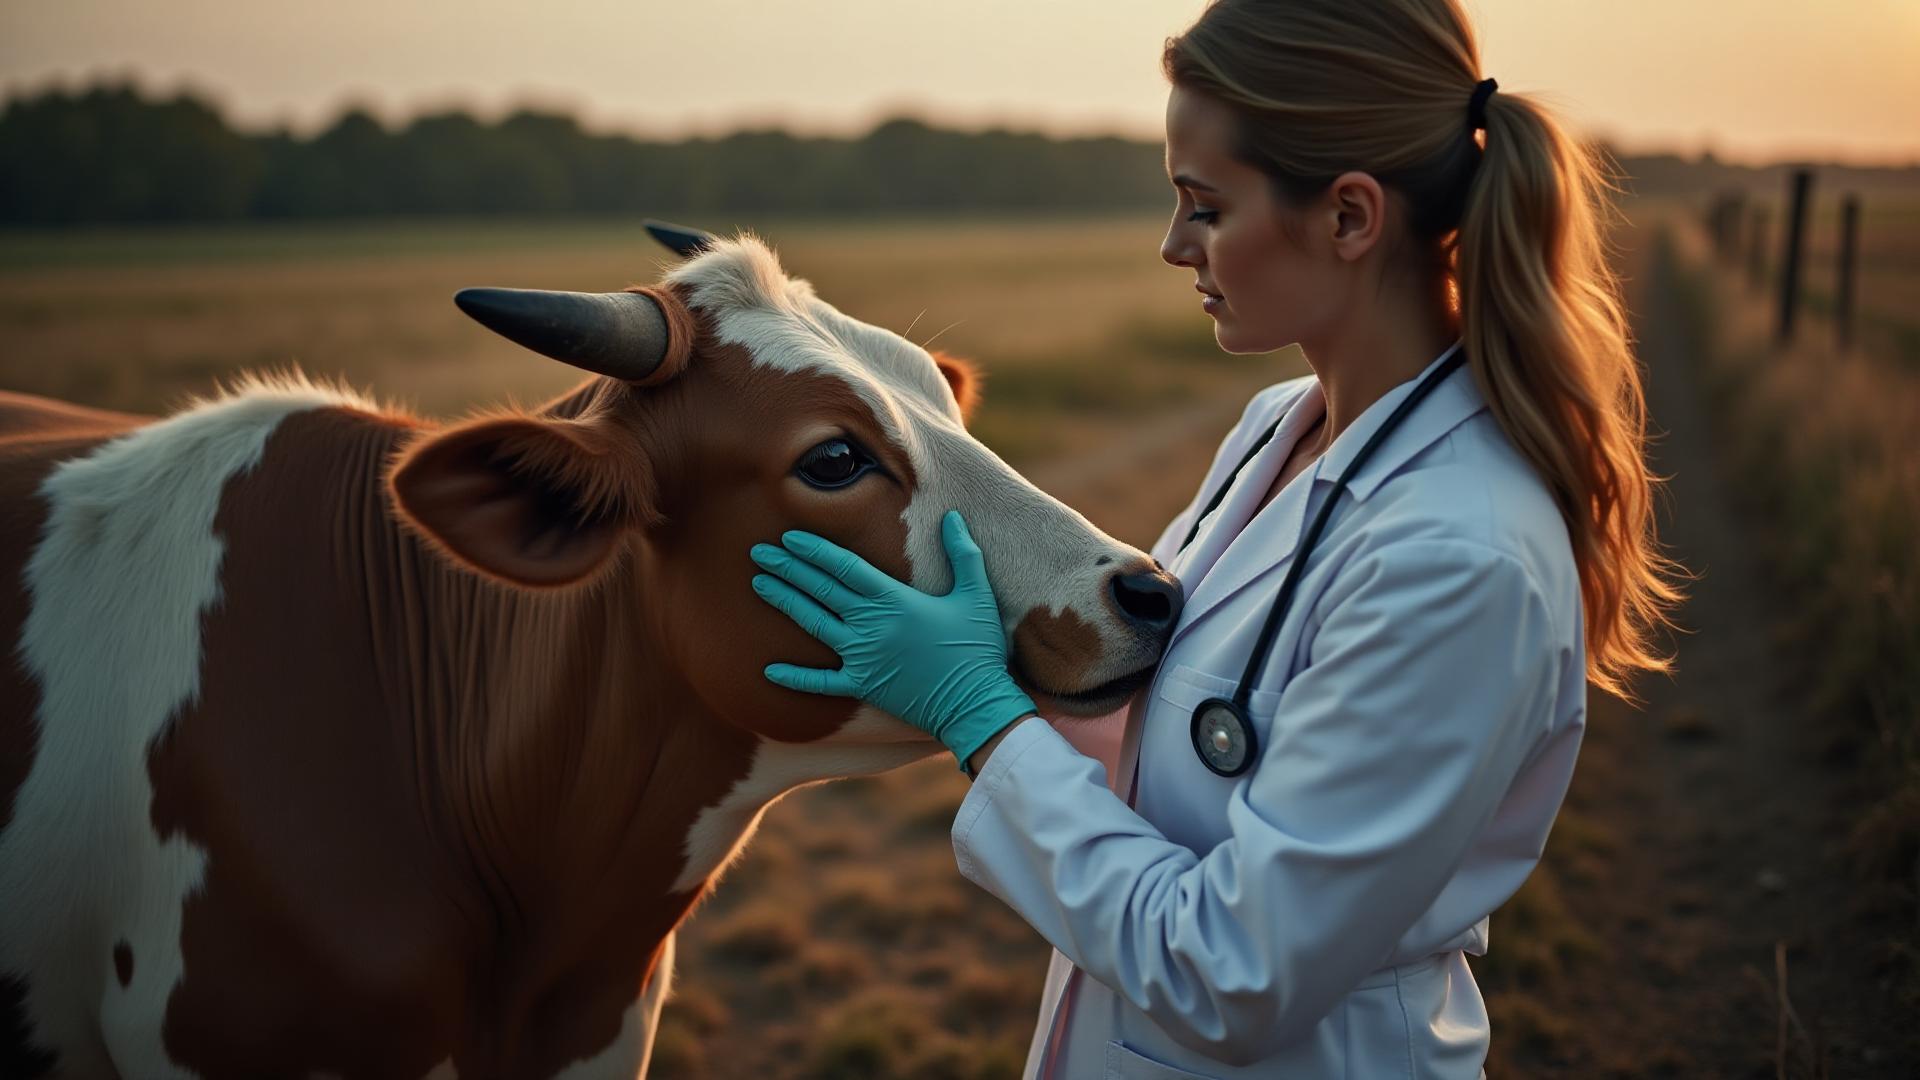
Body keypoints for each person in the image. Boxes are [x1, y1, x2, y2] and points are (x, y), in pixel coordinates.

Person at [746, 0, 1684, 1074]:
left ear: (1348, 218)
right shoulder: (1271, 433)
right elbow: (1172, 735)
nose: (1170, 245)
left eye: (1204, 206)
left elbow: (1233, 972)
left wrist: (982, 720)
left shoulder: (1459, 559)